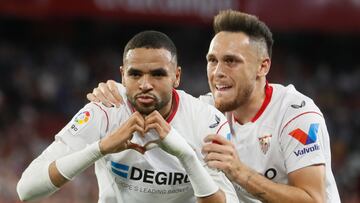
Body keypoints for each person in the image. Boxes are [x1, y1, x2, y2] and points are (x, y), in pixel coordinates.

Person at [87, 10, 341, 203]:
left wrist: (239, 172)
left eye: (231, 61)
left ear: (263, 67)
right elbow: (156, 102)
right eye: (212, 60)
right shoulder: (205, 113)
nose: (218, 72)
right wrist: (116, 94)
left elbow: (313, 199)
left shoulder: (295, 113)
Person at [17, 30, 239, 203]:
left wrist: (187, 156)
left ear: (176, 76)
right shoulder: (104, 110)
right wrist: (100, 148)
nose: (145, 84)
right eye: (135, 74)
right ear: (123, 75)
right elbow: (26, 190)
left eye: (157, 74)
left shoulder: (206, 121)